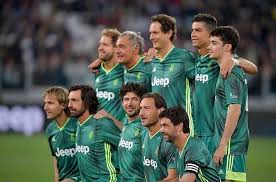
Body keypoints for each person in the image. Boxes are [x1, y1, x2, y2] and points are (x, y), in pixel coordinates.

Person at [191, 13, 258, 155]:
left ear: (210, 35)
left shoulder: (220, 60)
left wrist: (235, 61)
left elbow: (254, 68)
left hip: (215, 133)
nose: (192, 34)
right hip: (196, 132)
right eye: (192, 30)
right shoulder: (194, 61)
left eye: (198, 30)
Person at [208, 26, 249, 182]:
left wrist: (222, 145)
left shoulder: (230, 74)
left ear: (227, 46)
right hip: (228, 143)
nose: (209, 47)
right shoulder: (227, 68)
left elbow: (234, 110)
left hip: (231, 145)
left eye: (214, 43)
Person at [149, 14, 195, 135]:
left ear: (169, 33)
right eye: (150, 33)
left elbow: (201, 84)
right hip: (159, 129)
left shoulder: (184, 57)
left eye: (155, 33)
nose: (151, 37)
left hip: (180, 128)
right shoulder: (152, 61)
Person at [68, 85, 121, 182]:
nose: (69, 105)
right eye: (69, 100)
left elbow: (126, 146)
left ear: (86, 103)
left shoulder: (102, 124)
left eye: (74, 100)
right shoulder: (79, 124)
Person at [160, 107, 221, 182]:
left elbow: (187, 179)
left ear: (179, 127)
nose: (161, 130)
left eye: (165, 125)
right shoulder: (177, 150)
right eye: (161, 126)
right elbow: (176, 179)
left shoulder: (194, 147)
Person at [44, 87, 80, 182]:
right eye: (45, 103)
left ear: (63, 105)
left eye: (50, 103)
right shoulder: (50, 129)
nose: (45, 107)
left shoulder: (78, 124)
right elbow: (55, 158)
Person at [139, 93, 177, 182]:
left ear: (161, 111)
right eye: (141, 108)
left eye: (146, 108)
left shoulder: (170, 140)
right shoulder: (143, 134)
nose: (141, 113)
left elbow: (174, 178)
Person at [92, 28, 125, 122]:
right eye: (100, 44)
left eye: (105, 45)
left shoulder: (124, 69)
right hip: (100, 130)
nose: (100, 48)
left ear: (116, 48)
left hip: (119, 131)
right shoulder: (97, 69)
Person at [118, 82, 148, 181]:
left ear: (142, 102)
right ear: (122, 102)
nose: (129, 104)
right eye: (126, 99)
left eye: (134, 99)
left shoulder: (145, 127)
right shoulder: (126, 120)